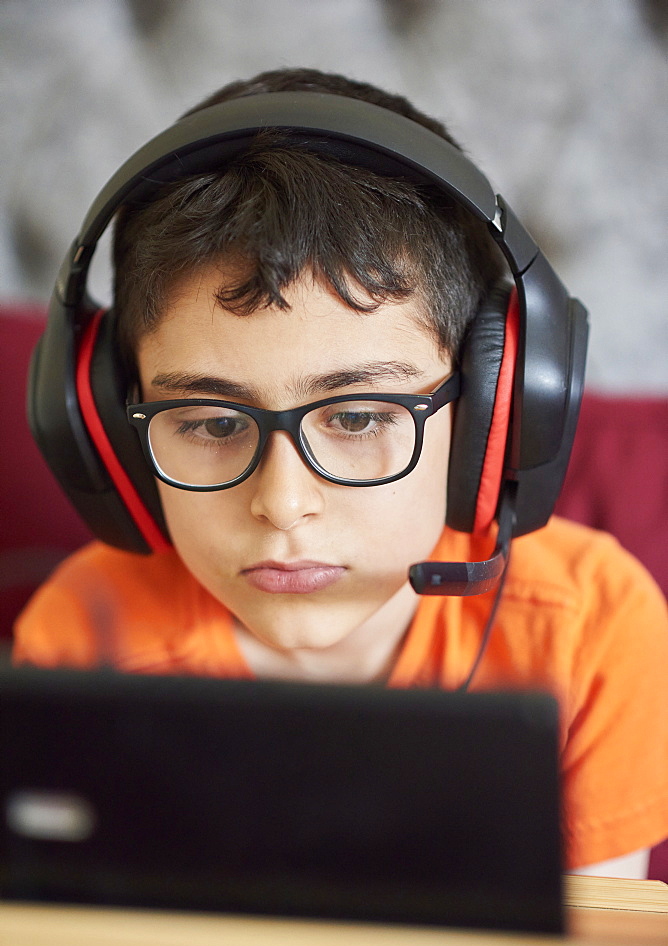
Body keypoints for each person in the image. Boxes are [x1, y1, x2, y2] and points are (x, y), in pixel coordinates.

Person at [12, 68, 668, 877]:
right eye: (213, 423)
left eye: (357, 417)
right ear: (104, 425)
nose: (283, 506)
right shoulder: (86, 636)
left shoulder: (590, 627)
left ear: (495, 413)